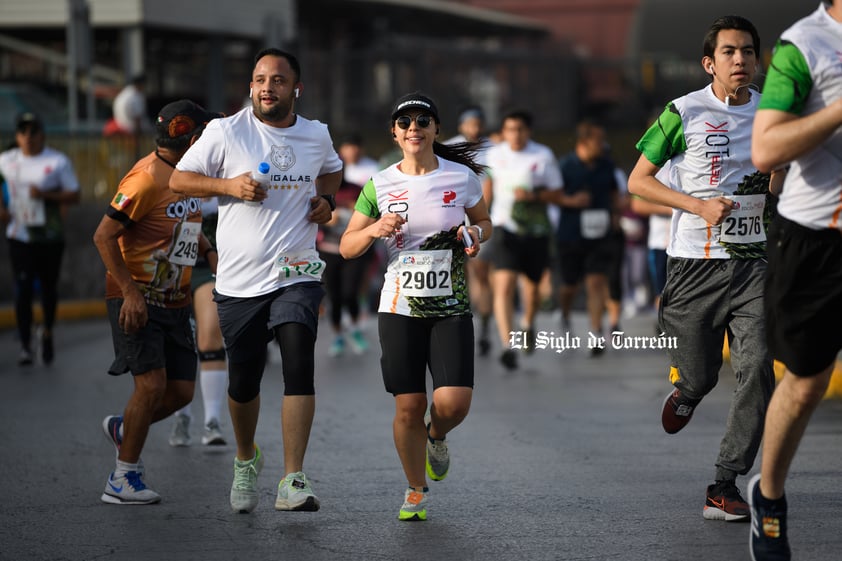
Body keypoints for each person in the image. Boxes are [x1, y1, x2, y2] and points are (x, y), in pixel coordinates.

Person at [169, 48, 343, 514]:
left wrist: (326, 202)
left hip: (297, 270)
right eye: (260, 79)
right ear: (251, 87)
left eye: (279, 80)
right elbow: (180, 181)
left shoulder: (316, 134)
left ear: (295, 89)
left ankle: (292, 478)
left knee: (298, 362)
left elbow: (332, 170)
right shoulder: (226, 131)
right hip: (240, 280)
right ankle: (246, 458)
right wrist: (229, 186)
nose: (268, 87)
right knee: (243, 383)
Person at [628, 15, 779, 522]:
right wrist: (698, 207)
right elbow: (638, 182)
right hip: (694, 264)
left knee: (757, 369)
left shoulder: (772, 113)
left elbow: (782, 179)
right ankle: (689, 390)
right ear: (709, 63)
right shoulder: (683, 112)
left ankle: (725, 481)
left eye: (749, 52)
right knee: (701, 374)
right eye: (731, 52)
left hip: (753, 262)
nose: (741, 61)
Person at [339, 92, 492, 521]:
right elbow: (348, 246)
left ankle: (436, 434)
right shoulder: (379, 184)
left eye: (423, 120)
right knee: (407, 405)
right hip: (399, 306)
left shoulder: (460, 178)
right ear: (394, 132)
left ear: (435, 130)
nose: (414, 128)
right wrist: (373, 229)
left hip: (451, 302)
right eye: (404, 122)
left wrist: (476, 236)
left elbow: (485, 222)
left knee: (454, 402)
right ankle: (415, 490)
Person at [748, 2, 842, 559]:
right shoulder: (803, 46)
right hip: (817, 239)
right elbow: (766, 149)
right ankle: (769, 494)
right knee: (807, 381)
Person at [93, 99, 220, 504]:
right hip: (138, 299)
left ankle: (124, 428)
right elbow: (103, 236)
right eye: (209, 134)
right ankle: (122, 478)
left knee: (181, 392)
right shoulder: (146, 178)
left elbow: (180, 225)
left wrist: (210, 252)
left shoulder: (186, 175)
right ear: (195, 138)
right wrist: (130, 293)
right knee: (150, 385)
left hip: (174, 299)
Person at [483, 109, 564, 370]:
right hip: (504, 226)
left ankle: (527, 323)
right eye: (510, 129)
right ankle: (508, 346)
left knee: (532, 288)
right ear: (503, 132)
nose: (515, 135)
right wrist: (478, 221)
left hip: (535, 229)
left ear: (528, 131)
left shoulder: (542, 155)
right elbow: (486, 192)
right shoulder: (494, 155)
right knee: (504, 285)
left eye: (520, 129)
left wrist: (534, 197)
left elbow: (557, 193)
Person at [0, 112, 80, 366]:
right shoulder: (5, 161)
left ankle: (46, 332)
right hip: (19, 234)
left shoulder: (57, 162)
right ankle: (25, 345)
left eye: (33, 131)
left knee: (48, 288)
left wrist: (45, 195)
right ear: (17, 136)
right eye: (23, 132)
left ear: (42, 135)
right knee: (22, 288)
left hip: (48, 236)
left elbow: (74, 195)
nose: (28, 137)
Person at [168, 195, 229, 447]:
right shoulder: (175, 177)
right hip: (174, 267)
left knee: (210, 336)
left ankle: (212, 421)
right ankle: (181, 416)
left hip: (210, 268)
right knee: (179, 343)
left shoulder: (228, 176)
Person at [552, 121, 619, 353]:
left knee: (596, 282)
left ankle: (595, 333)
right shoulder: (564, 166)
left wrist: (616, 212)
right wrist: (571, 201)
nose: (603, 145)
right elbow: (552, 195)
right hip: (571, 233)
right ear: (584, 142)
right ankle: (565, 312)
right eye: (598, 141)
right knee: (570, 285)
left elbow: (613, 192)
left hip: (600, 233)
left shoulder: (607, 165)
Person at [318, 134, 379, 357]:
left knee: (350, 292)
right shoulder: (319, 189)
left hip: (355, 250)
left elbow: (372, 212)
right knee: (334, 296)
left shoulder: (357, 189)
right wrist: (326, 218)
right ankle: (337, 336)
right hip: (328, 250)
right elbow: (309, 216)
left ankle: (354, 330)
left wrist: (354, 210)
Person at [445, 106, 495, 355]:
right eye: (470, 123)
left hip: (479, 220)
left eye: (478, 123)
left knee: (479, 273)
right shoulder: (448, 148)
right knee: (454, 275)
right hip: (451, 222)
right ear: (462, 125)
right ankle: (455, 323)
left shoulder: (493, 150)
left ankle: (484, 326)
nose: (474, 128)